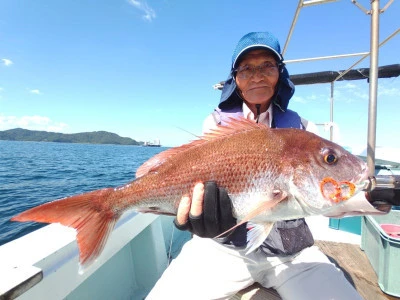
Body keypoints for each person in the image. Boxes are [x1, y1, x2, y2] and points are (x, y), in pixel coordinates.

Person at [146, 31, 400, 300]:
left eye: (267, 65)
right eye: (246, 69)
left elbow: (325, 200)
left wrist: (373, 197)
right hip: (222, 251)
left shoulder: (303, 129)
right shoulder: (215, 125)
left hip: (292, 254)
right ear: (236, 80)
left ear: (280, 73)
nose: (257, 75)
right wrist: (200, 221)